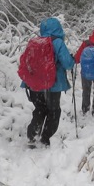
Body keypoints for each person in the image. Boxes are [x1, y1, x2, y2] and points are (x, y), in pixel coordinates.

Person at [22, 17, 75, 147]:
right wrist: (72, 60)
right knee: (53, 111)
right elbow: (68, 63)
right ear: (58, 28)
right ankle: (45, 138)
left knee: (39, 109)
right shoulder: (57, 43)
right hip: (53, 85)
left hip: (34, 84)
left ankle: (32, 135)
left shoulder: (34, 42)